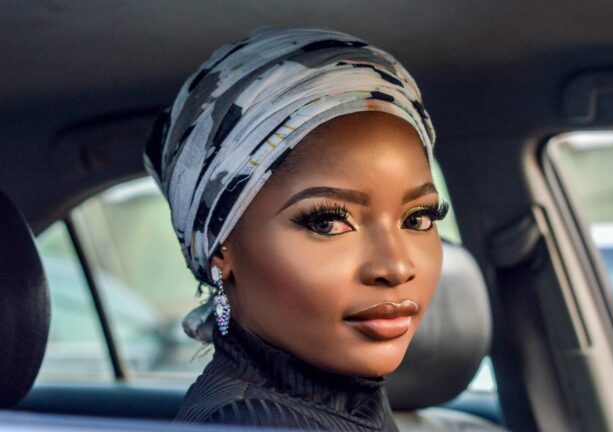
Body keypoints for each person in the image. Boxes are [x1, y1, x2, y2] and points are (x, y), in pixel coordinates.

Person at [144, 27, 446, 430]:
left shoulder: (348, 401)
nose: (394, 267)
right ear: (221, 247)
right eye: (328, 222)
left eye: (418, 218)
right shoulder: (247, 421)